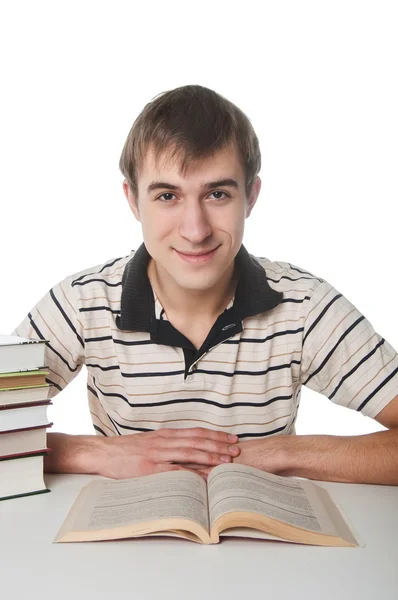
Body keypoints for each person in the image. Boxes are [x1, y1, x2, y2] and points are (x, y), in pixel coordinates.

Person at [12, 85, 398, 485]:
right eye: (167, 195)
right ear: (133, 200)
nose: (195, 231)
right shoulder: (81, 302)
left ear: (250, 196)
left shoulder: (304, 305)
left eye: (217, 194)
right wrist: (100, 453)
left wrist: (279, 454)